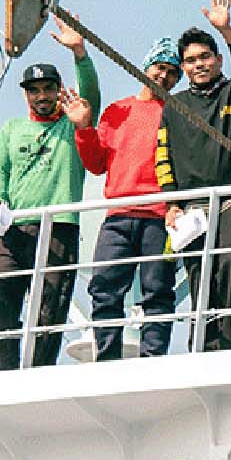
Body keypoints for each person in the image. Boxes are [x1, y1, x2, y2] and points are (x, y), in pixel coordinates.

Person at [0, 17, 100, 369]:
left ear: (59, 89)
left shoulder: (72, 124)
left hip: (60, 226)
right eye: (34, 90)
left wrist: (79, 52)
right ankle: (6, 368)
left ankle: (39, 370)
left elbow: (90, 94)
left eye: (48, 88)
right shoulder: (12, 128)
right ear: (26, 94)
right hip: (14, 227)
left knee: (53, 302)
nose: (42, 95)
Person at [155, 0, 231, 351]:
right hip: (192, 208)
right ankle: (201, 347)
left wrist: (228, 31)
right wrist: (172, 204)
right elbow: (163, 156)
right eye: (190, 60)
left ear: (218, 59)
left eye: (205, 57)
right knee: (200, 278)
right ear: (183, 67)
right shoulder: (175, 104)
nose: (198, 64)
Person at [71, 38, 182, 360]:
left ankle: (152, 360)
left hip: (160, 218)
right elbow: (95, 164)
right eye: (160, 67)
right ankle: (106, 358)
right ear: (145, 67)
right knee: (104, 288)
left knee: (158, 292)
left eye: (173, 72)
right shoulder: (118, 110)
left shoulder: (178, 114)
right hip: (118, 215)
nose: (165, 76)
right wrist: (83, 128)